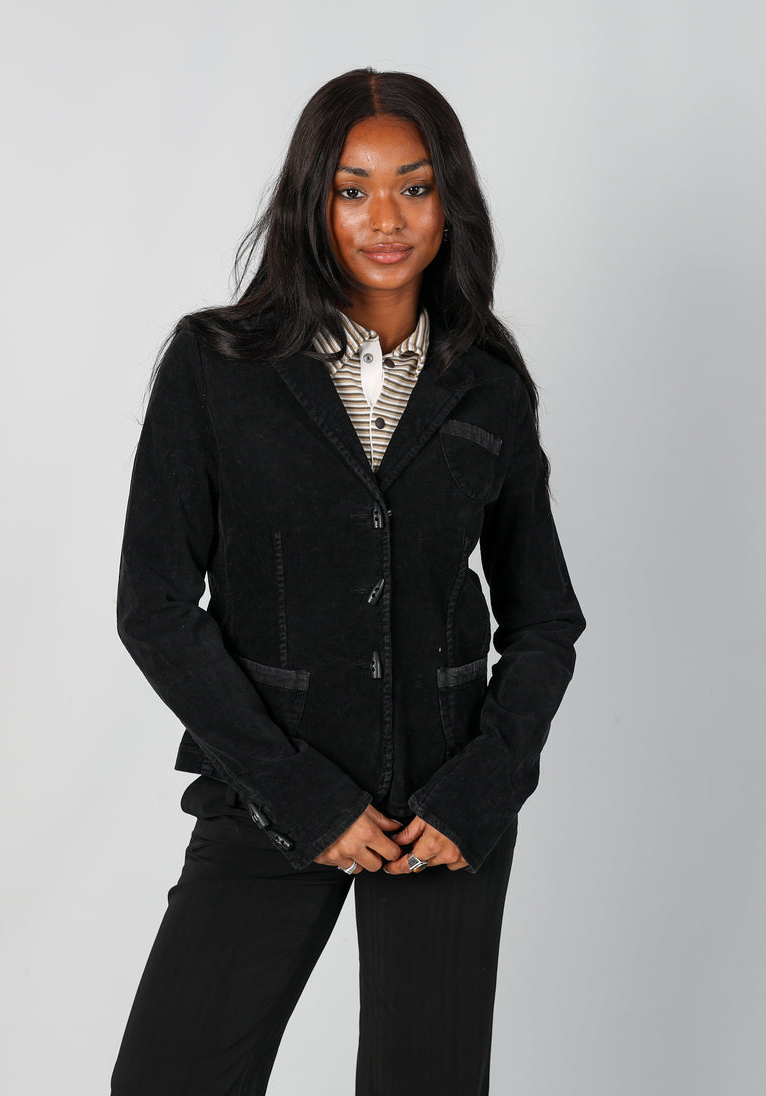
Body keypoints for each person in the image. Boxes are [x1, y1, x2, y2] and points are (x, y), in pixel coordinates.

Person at [110, 67, 586, 1096]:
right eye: (352, 188)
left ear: (449, 201)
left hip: (441, 813)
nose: (386, 218)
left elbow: (545, 618)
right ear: (311, 201)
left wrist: (483, 786)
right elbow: (154, 608)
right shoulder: (216, 366)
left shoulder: (488, 383)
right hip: (268, 789)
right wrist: (299, 792)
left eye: (415, 187)